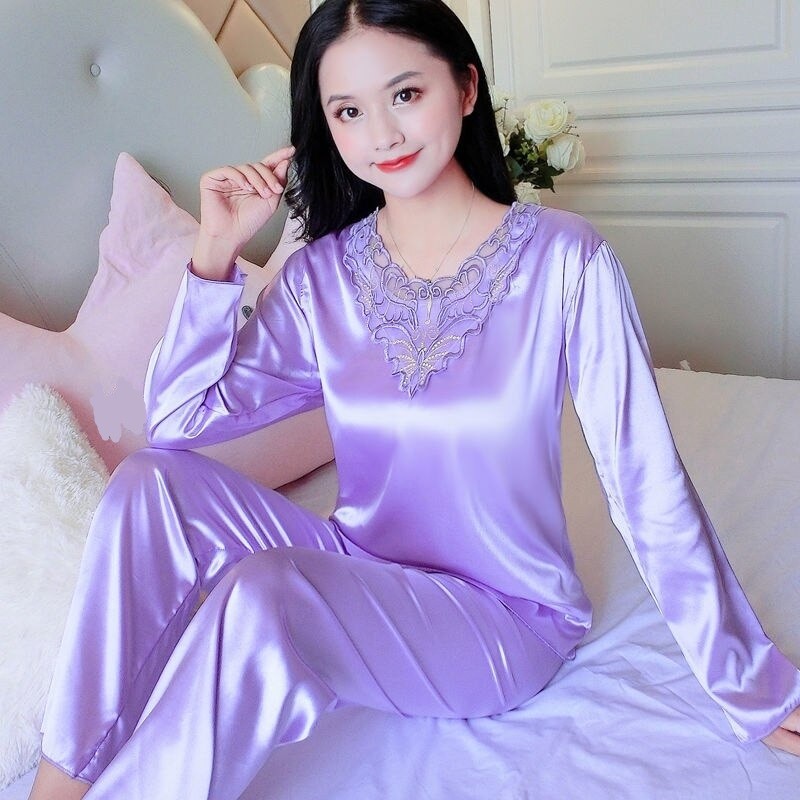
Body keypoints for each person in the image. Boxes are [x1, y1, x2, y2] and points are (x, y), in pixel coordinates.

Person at [29, 0, 800, 798]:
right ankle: (59, 782)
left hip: (504, 617)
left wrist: (749, 682)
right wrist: (215, 254)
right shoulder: (322, 278)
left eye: (405, 94)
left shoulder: (566, 260)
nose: (383, 134)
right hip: (361, 564)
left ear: (465, 87)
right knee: (147, 484)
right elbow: (179, 421)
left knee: (262, 596)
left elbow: (646, 480)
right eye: (349, 112)